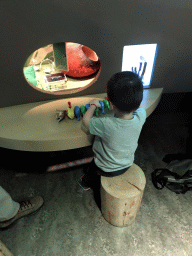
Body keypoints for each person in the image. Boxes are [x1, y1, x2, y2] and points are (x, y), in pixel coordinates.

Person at [77, 71, 147, 193]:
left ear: (111, 103)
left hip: (104, 168)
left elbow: (85, 123)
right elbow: (140, 109)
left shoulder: (106, 124)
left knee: (92, 168)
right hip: (127, 163)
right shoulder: (141, 116)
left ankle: (85, 183)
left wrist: (93, 105)